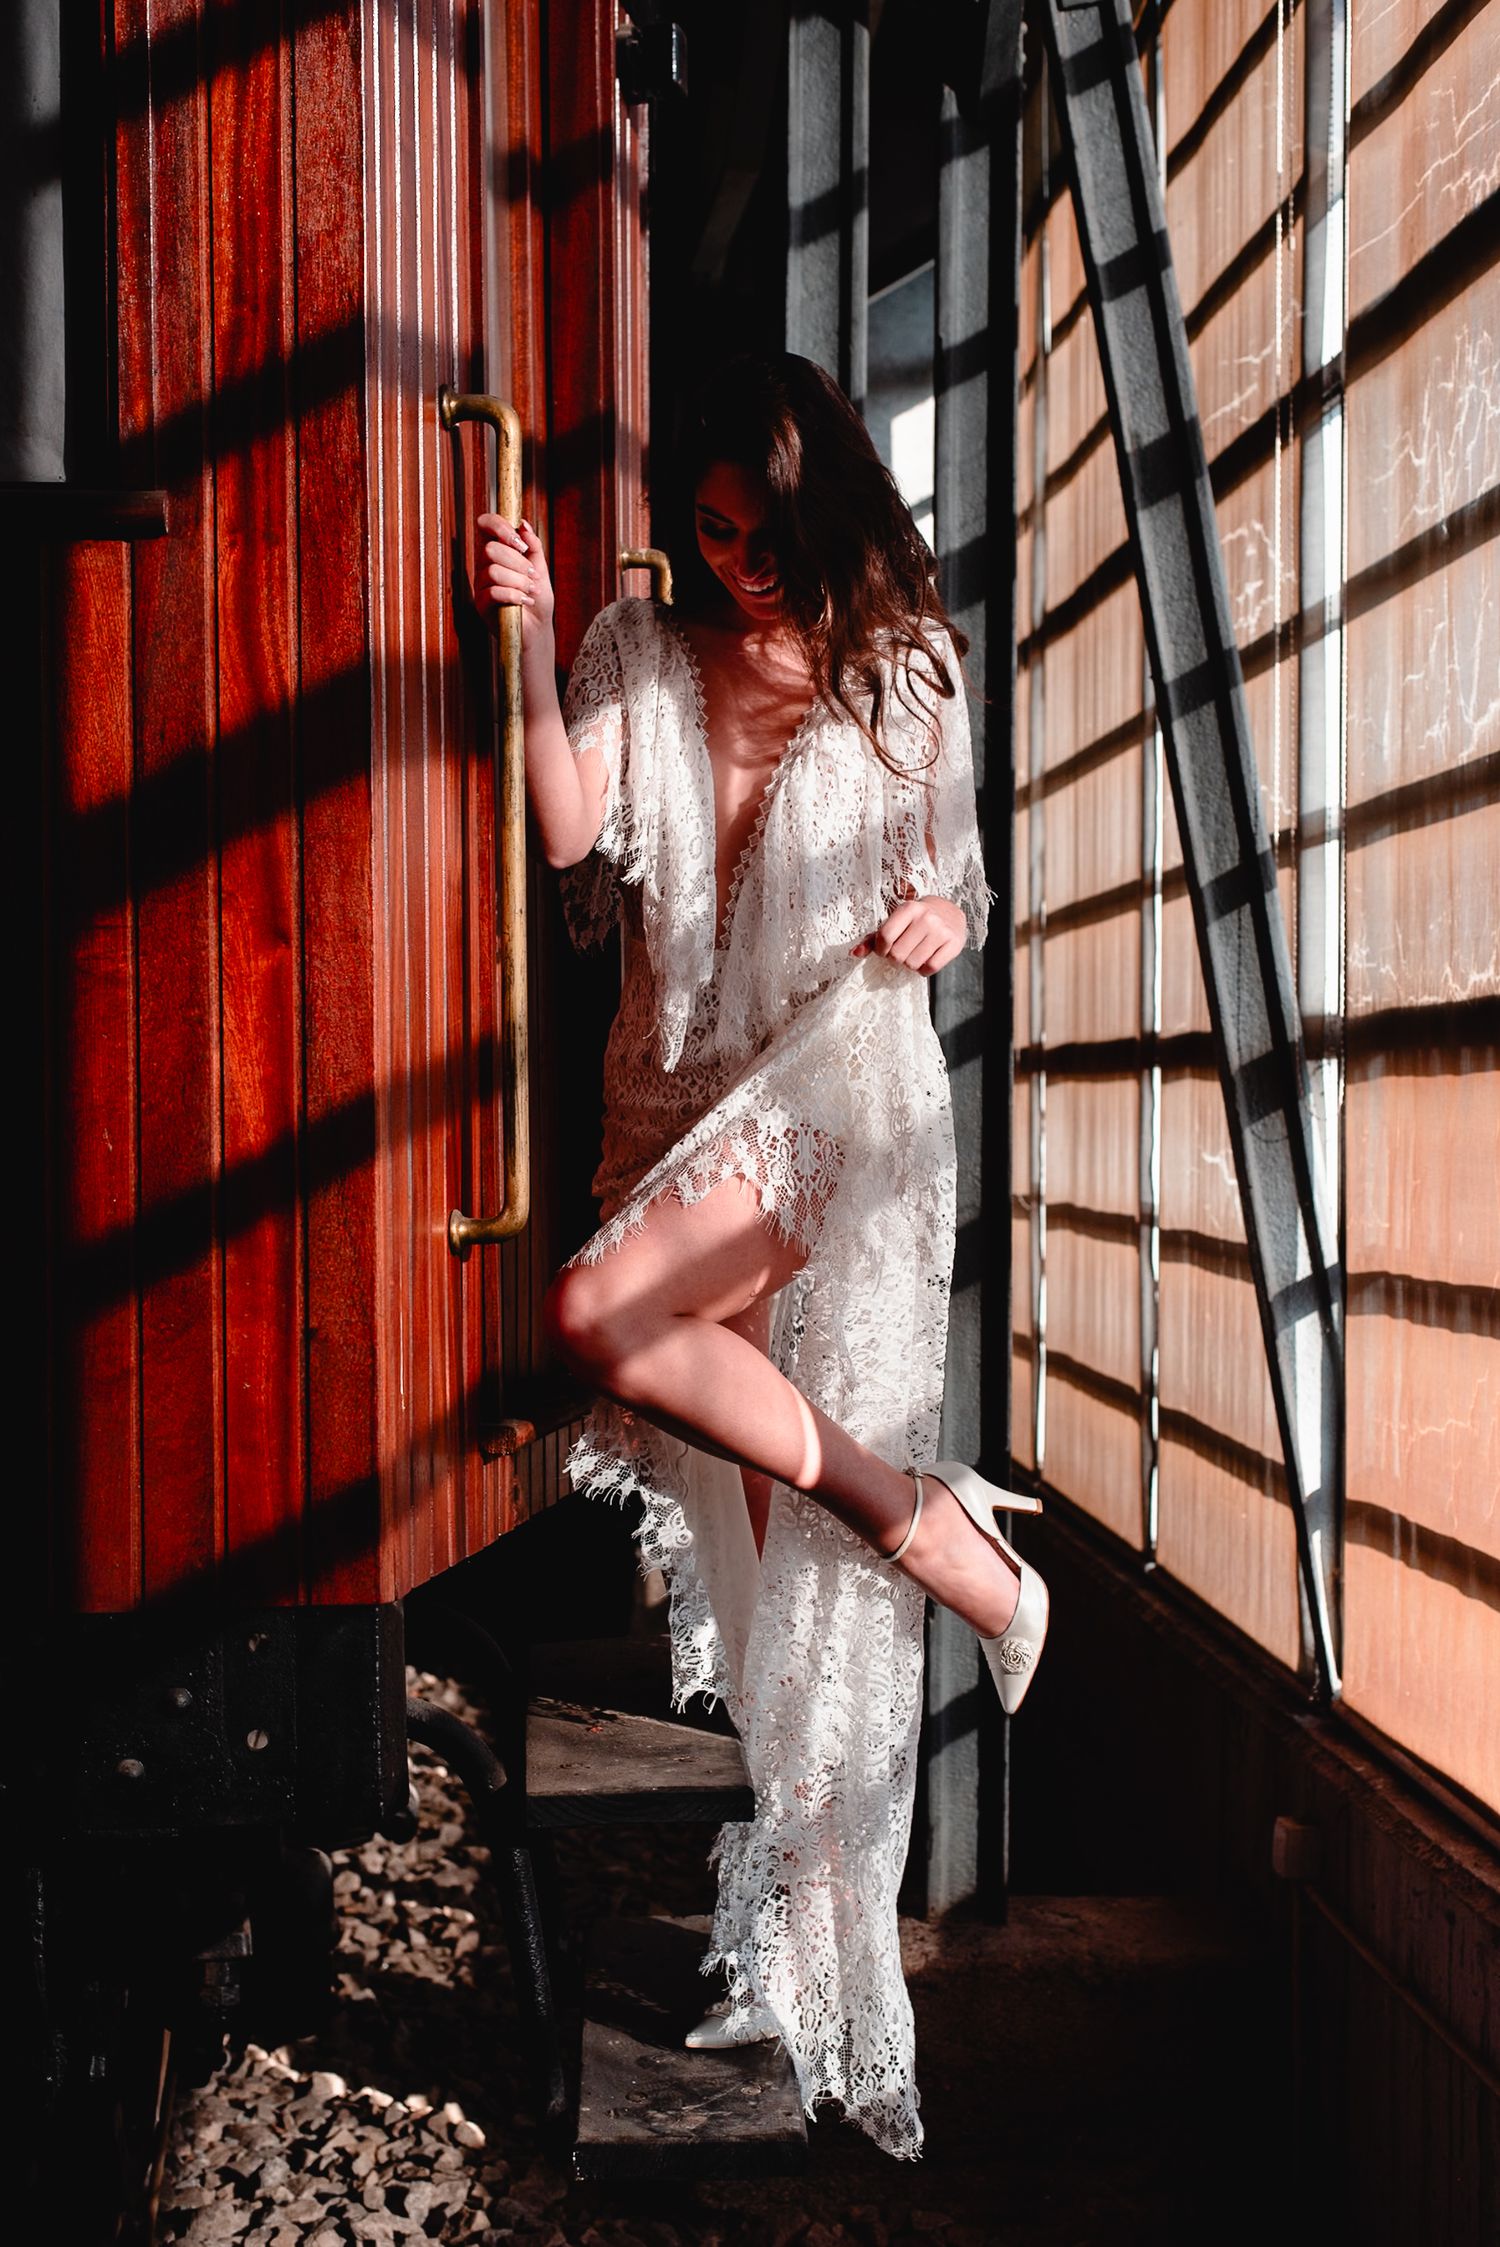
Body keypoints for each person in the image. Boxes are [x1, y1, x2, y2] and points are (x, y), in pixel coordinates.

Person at [475, 350, 1048, 2160]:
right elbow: (570, 825)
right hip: (673, 1121)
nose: (738, 564)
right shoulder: (642, 654)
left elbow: (959, 884)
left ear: (827, 512)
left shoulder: (907, 669)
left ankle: (904, 1514)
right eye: (709, 532)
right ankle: (794, 1949)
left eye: (764, 532)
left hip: (843, 1104)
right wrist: (528, 637)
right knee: (752, 1586)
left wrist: (946, 914)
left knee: (593, 1315)